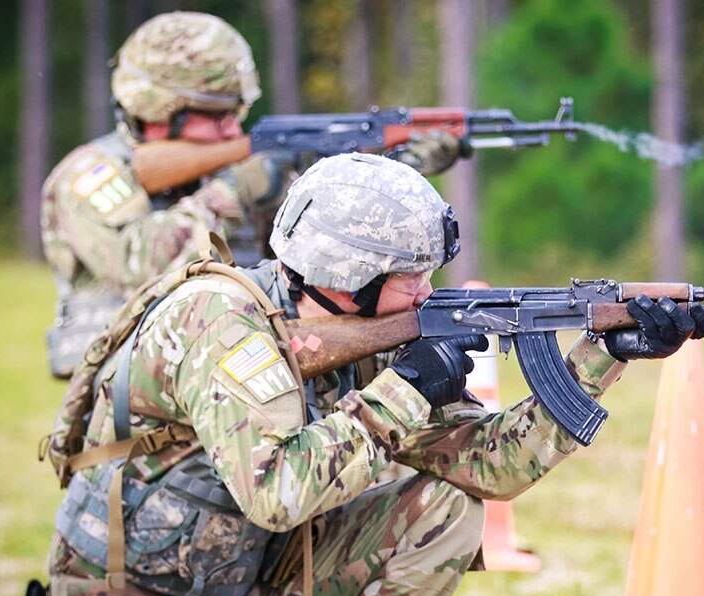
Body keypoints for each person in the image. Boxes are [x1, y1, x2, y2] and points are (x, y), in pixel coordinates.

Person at [41, 153, 704, 596]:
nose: (427, 290)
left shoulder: (370, 331)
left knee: (448, 508)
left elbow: (491, 467)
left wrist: (600, 355)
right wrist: (406, 390)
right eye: (409, 274)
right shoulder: (220, 324)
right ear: (345, 272)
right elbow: (277, 492)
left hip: (251, 590)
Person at [40, 11, 461, 379]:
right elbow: (141, 262)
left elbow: (321, 255)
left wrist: (395, 172)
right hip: (130, 378)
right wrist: (235, 190)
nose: (233, 130)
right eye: (218, 114)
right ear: (158, 109)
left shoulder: (227, 172)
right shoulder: (91, 176)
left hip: (230, 358)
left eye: (237, 113)